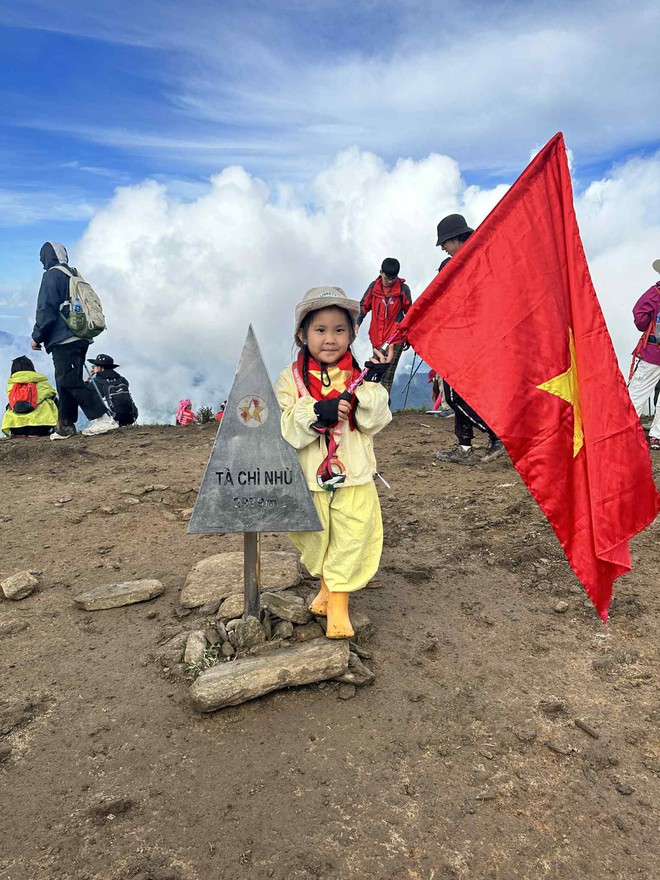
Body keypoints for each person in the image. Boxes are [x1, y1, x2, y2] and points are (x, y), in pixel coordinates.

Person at [275, 286, 392, 638]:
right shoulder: (289, 380)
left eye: (339, 330)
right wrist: (316, 411)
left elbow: (374, 423)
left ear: (353, 334)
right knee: (316, 539)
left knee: (351, 537)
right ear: (302, 334)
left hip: (353, 477)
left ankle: (339, 606)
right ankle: (326, 587)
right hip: (310, 479)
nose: (330, 339)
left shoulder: (358, 375)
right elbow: (286, 428)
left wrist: (370, 385)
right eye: (320, 330)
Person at [433, 214, 505, 464]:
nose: (442, 247)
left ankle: (497, 437)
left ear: (456, 238)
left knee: (454, 395)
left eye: (444, 242)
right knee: (464, 392)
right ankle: (464, 447)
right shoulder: (477, 260)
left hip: (467, 340)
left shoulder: (471, 264)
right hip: (471, 338)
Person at [30, 241, 118, 439]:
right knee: (65, 381)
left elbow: (46, 310)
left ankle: (102, 418)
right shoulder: (73, 273)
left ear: (47, 257)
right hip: (80, 336)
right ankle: (65, 425)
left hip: (64, 338)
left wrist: (37, 337)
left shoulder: (51, 275)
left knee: (68, 379)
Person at [356, 258, 412, 394]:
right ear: (381, 272)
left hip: (395, 338)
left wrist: (409, 337)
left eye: (393, 278)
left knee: (387, 375)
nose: (389, 281)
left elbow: (410, 313)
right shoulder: (373, 287)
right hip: (377, 338)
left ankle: (384, 407)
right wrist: (357, 322)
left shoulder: (402, 290)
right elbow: (364, 305)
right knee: (376, 372)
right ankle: (378, 405)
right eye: (387, 277)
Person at [627, 259, 660, 449]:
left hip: (653, 352)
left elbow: (639, 318)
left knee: (637, 392)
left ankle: (624, 430)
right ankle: (657, 437)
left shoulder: (654, 293)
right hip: (654, 352)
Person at [2, 356, 58, 438]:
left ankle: (15, 433)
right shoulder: (42, 382)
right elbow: (52, 394)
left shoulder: (11, 386)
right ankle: (60, 428)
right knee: (53, 400)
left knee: (10, 405)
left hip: (17, 428)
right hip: (41, 427)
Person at [87, 354, 138, 426]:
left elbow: (87, 395)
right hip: (131, 417)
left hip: (112, 419)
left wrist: (87, 380)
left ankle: (101, 424)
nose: (93, 368)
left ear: (100, 368)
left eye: (94, 366)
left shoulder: (97, 382)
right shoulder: (121, 379)